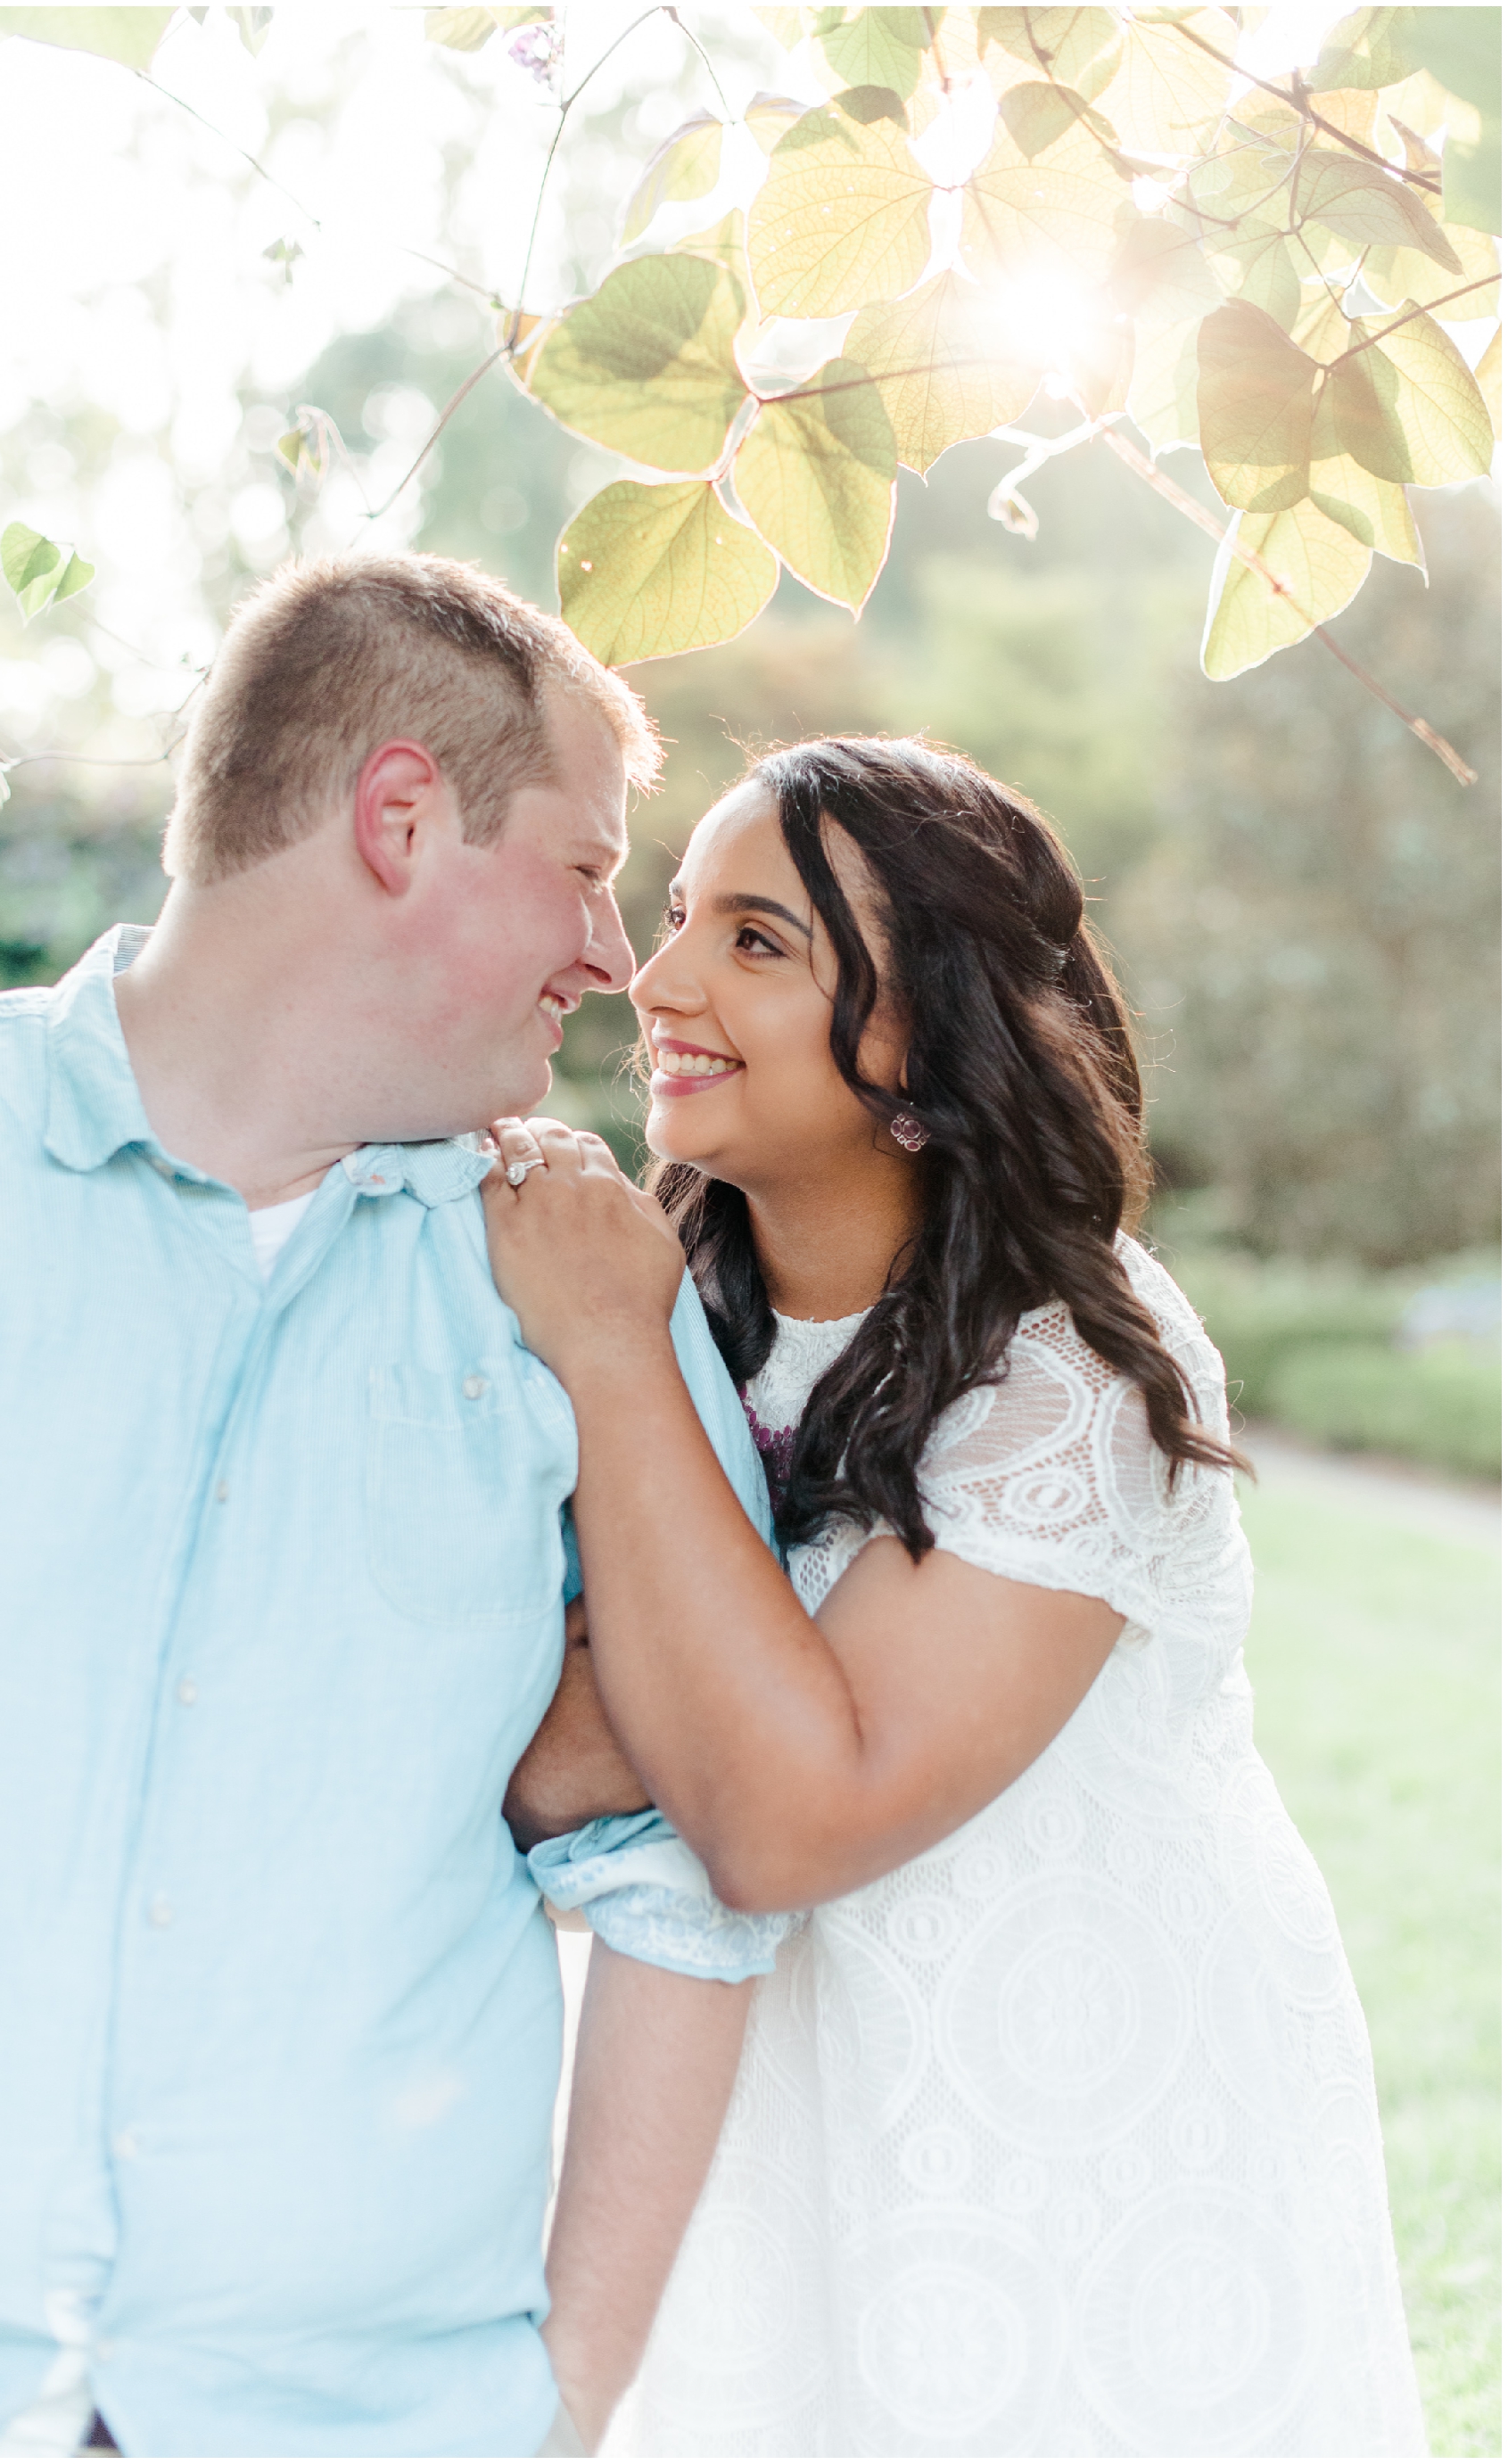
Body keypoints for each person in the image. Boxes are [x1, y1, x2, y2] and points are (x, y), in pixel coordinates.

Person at [0, 552, 784, 2460]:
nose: (614, 957)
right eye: (586, 864)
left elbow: (686, 1877)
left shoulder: (581, 1293)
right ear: (398, 817)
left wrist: (562, 2396)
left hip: (372, 2415)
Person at [481, 738, 1429, 2457]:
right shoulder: (669, 1310)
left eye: (756, 942)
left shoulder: (1072, 1371)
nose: (658, 974)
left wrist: (611, 1357)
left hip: (1069, 2137)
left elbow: (780, 1817)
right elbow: (541, 1776)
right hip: (757, 2131)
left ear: (926, 1037)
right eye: (678, 912)